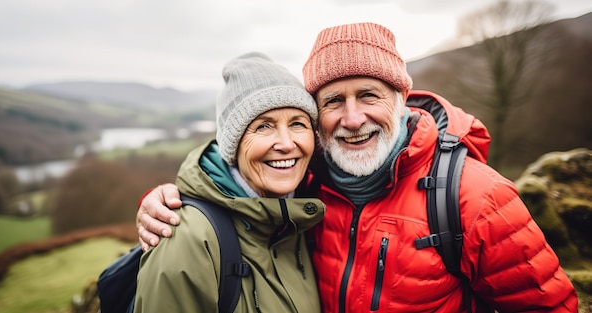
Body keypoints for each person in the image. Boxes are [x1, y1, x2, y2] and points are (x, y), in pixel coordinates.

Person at [136, 23, 578, 312]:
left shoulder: (476, 197)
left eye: (368, 95)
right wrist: (169, 201)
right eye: (333, 101)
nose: (351, 118)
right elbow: (235, 190)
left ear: (401, 101)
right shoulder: (305, 185)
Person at [133, 52, 325, 312]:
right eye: (263, 127)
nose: (286, 143)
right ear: (233, 146)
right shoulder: (187, 240)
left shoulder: (302, 214)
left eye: (298, 124)